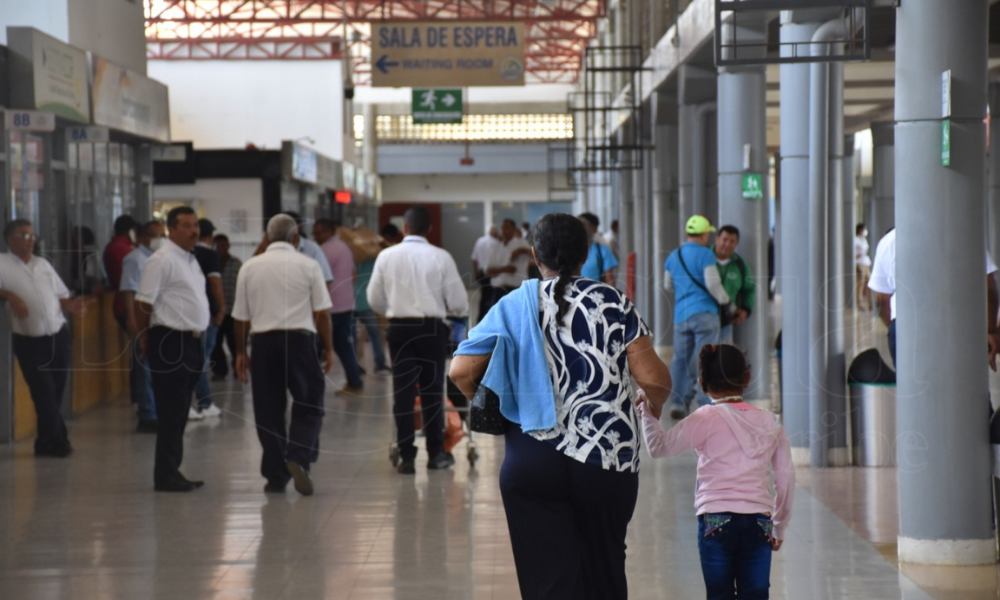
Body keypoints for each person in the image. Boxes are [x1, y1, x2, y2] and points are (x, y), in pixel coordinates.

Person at [449, 213, 672, 600]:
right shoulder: (614, 302)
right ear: (586, 256)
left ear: (535, 255)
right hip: (607, 459)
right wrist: (650, 406)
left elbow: (461, 372)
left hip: (532, 458)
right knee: (604, 568)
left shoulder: (512, 305)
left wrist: (503, 408)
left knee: (546, 576)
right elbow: (655, 380)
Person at [637, 344, 794, 600]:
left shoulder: (705, 418)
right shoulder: (771, 423)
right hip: (759, 521)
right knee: (755, 594)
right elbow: (786, 481)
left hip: (715, 520)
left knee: (718, 594)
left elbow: (658, 447)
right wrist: (779, 527)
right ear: (747, 378)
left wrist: (646, 410)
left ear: (702, 384)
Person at [233, 214, 334, 496]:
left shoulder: (249, 268)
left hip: (263, 344)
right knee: (309, 402)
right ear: (296, 238)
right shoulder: (309, 265)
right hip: (301, 343)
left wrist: (240, 352)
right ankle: (298, 458)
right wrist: (329, 348)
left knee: (268, 410)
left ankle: (276, 475)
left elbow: (240, 317)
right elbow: (322, 314)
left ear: (267, 238)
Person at [367, 206, 469, 474]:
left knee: (403, 392)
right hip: (431, 329)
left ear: (404, 227)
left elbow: (374, 299)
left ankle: (406, 456)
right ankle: (436, 454)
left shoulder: (386, 256)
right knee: (432, 392)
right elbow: (459, 302)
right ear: (430, 229)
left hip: (399, 329)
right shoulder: (441, 257)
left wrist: (395, 306)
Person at [0, 219, 92, 457]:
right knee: (44, 393)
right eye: (24, 236)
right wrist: (9, 294)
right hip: (30, 341)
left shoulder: (43, 264)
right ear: (10, 239)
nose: (30, 241)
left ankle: (45, 442)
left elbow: (61, 294)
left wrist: (72, 305)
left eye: (32, 236)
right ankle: (59, 441)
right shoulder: (2, 264)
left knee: (56, 391)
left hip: (57, 335)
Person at [135, 206, 211, 492]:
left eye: (195, 225)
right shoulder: (161, 260)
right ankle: (165, 474)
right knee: (171, 411)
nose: (194, 230)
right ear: (172, 228)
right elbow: (143, 302)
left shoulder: (189, 258)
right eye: (187, 225)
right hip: (169, 341)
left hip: (191, 341)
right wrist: (144, 336)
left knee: (180, 410)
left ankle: (172, 469)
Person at [868, 228, 1000, 369]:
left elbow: (881, 299)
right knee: (963, 387)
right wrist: (990, 330)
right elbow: (989, 289)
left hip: (905, 325)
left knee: (912, 388)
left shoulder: (888, 241)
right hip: (959, 327)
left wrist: (895, 327)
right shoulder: (963, 232)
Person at [664, 215, 731, 419]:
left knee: (680, 359)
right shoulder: (706, 255)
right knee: (706, 358)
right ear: (703, 234)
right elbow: (712, 284)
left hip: (681, 315)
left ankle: (677, 402)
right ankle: (704, 403)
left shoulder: (673, 256)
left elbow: (668, 285)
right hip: (705, 313)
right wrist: (725, 300)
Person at [119, 220, 166, 433]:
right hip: (141, 318)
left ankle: (154, 409)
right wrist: (132, 320)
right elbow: (128, 291)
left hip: (158, 319)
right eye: (155, 235)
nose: (159, 239)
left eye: (162, 234)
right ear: (143, 238)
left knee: (154, 367)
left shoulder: (159, 259)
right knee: (143, 366)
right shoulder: (135, 259)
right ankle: (148, 413)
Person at [313, 218, 364, 393]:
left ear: (329, 232)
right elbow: (353, 274)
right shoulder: (344, 247)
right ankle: (354, 381)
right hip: (346, 304)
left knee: (317, 346)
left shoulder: (324, 251)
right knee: (344, 346)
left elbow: (318, 279)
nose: (315, 236)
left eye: (319, 232)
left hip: (330, 306)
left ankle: (312, 385)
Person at [191, 219, 226, 420]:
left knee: (193, 359)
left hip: (189, 313)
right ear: (209, 236)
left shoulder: (187, 253)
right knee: (200, 361)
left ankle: (200, 402)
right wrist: (221, 308)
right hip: (207, 313)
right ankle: (204, 402)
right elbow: (215, 284)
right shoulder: (209, 255)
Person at [714, 225, 756, 344]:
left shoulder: (740, 264)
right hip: (704, 317)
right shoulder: (704, 258)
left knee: (724, 355)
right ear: (717, 239)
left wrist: (746, 310)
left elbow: (749, 288)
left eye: (732, 241)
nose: (727, 244)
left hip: (727, 320)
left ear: (737, 243)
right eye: (725, 239)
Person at [483, 219, 532, 313]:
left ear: (513, 229)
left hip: (517, 289)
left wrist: (521, 250)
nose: (504, 231)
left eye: (507, 228)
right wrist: (504, 269)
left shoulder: (521, 243)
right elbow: (488, 271)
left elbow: (536, 256)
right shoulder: (496, 247)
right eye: (503, 228)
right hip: (499, 290)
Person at [210, 234, 241, 380]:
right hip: (217, 311)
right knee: (216, 343)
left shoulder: (236, 263)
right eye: (218, 245)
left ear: (228, 246)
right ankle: (219, 371)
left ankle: (238, 368)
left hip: (234, 311)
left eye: (224, 245)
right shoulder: (211, 263)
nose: (221, 248)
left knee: (234, 342)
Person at [103, 214, 137, 328]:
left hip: (123, 302)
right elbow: (127, 281)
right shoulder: (123, 249)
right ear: (131, 231)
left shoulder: (114, 246)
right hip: (128, 304)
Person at [471, 225, 500, 323]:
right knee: (492, 297)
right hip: (493, 273)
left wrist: (476, 273)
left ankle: (480, 320)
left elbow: (474, 259)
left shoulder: (480, 241)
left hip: (482, 273)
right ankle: (490, 320)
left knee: (483, 297)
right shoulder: (496, 243)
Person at [579, 213, 618, 285]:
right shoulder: (567, 252)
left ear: (592, 229)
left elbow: (609, 280)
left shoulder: (602, 251)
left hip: (595, 294)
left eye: (585, 226)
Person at [854, 223, 872, 310]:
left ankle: (870, 303)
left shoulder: (864, 240)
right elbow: (854, 253)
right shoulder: (856, 240)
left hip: (866, 263)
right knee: (860, 284)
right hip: (860, 263)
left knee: (869, 283)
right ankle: (859, 303)